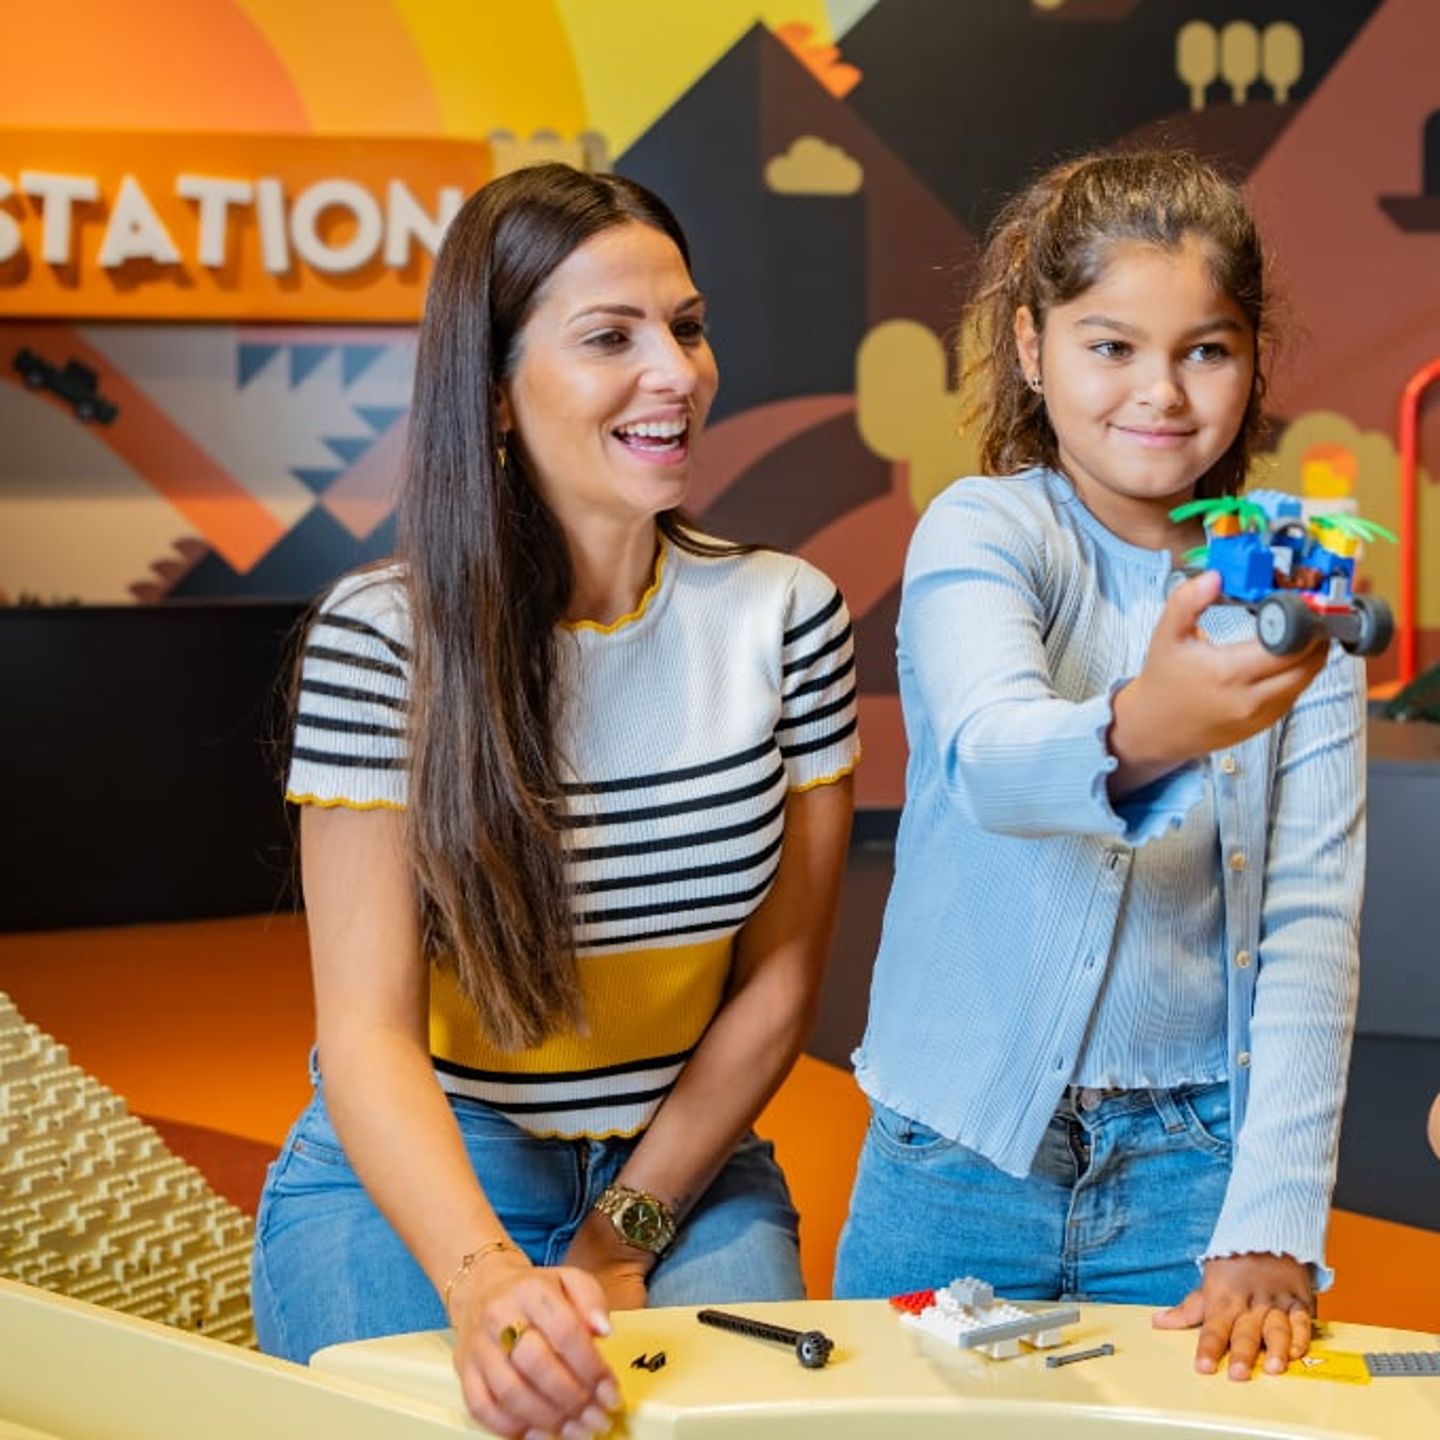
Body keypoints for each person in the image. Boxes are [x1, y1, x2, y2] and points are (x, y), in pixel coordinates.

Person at [252, 163, 858, 1439]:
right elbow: (362, 1033)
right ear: (495, 395)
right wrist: (485, 1282)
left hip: (682, 1171)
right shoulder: (384, 640)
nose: (676, 373)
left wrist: (617, 1238)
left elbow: (781, 986)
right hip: (428, 1164)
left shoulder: (786, 615)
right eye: (609, 339)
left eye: (686, 328)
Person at [835, 150, 1367, 1385]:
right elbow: (984, 759)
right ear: (1031, 346)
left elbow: (1312, 918)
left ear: (1252, 358)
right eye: (1111, 346)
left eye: (1207, 349)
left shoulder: (1293, 570)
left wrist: (1273, 1217)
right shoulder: (986, 527)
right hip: (952, 1157)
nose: (1163, 394)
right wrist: (1152, 726)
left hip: (1198, 1168)